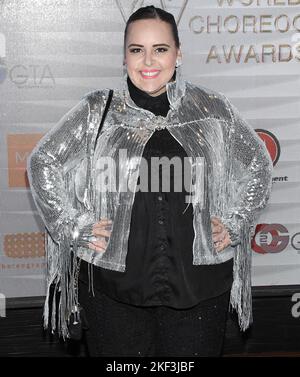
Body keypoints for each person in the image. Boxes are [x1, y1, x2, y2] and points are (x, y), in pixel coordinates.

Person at [27, 5, 273, 357]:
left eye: (160, 49)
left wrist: (236, 223)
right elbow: (43, 161)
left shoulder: (213, 109)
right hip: (113, 290)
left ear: (178, 53)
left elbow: (259, 165)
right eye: (136, 49)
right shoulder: (97, 110)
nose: (148, 61)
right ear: (124, 55)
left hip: (198, 290)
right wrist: (72, 226)